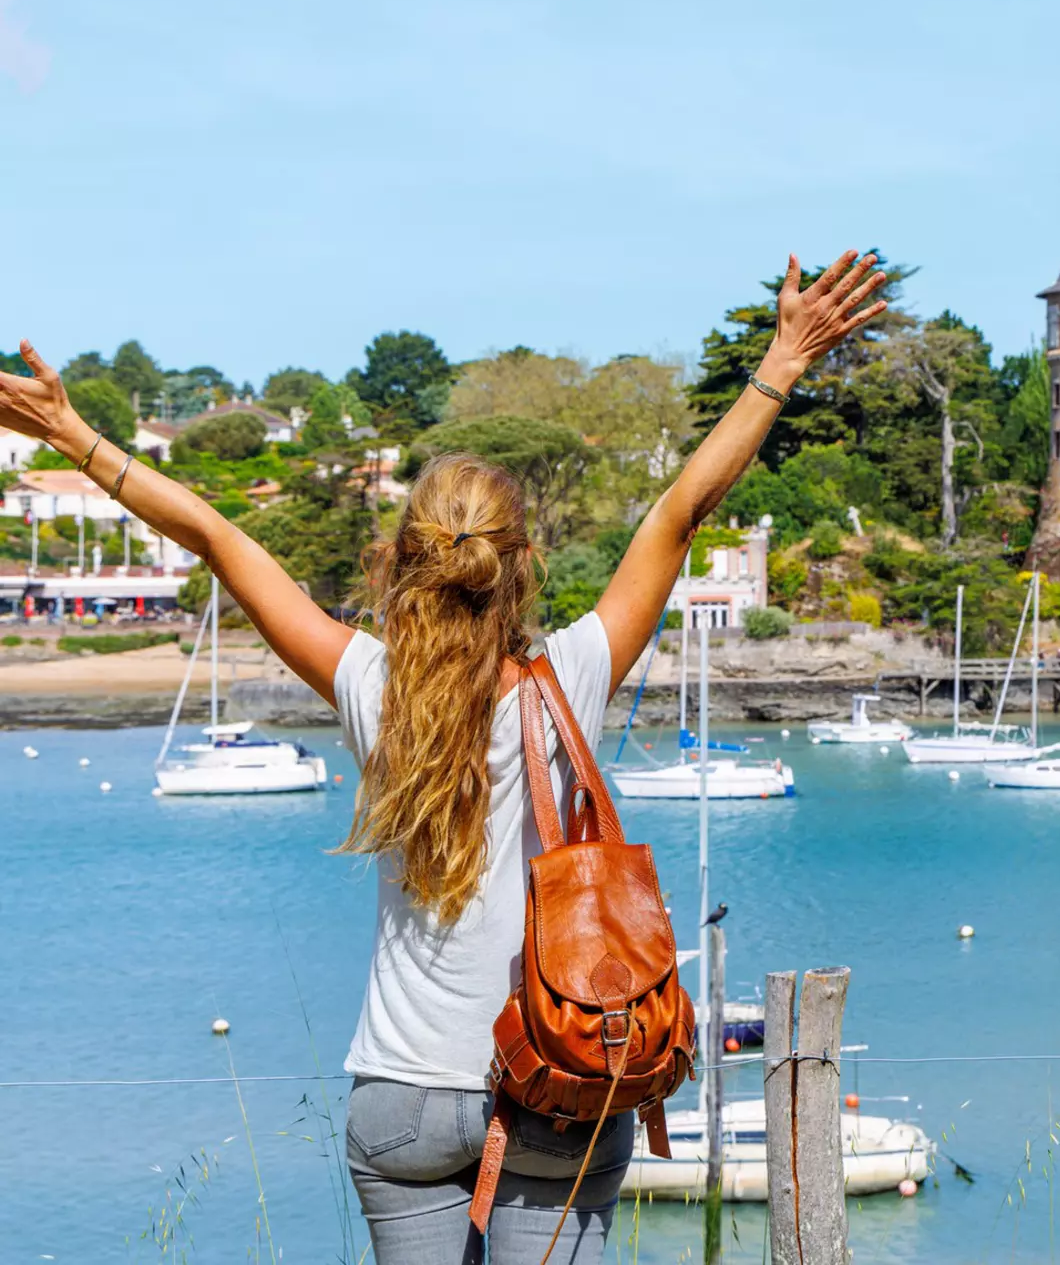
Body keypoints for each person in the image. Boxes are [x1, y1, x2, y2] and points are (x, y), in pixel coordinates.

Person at [0, 252, 888, 1262]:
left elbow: (213, 536)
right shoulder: (572, 677)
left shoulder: (369, 684)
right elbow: (681, 510)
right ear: (523, 563)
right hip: (554, 1078)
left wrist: (73, 436)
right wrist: (784, 358)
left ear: (404, 560)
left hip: (400, 1098)